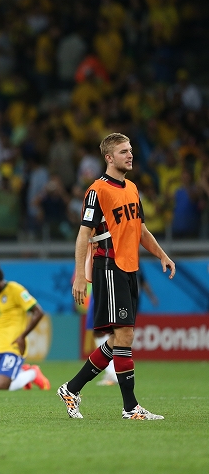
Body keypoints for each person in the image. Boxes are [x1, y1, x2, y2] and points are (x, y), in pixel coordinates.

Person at [59, 133, 176, 420]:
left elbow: (141, 230)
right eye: (123, 151)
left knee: (119, 338)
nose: (130, 155)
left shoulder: (133, 188)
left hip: (129, 268)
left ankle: (71, 389)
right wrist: (78, 276)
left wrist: (162, 254)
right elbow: (83, 234)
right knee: (124, 335)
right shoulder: (97, 191)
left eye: (131, 150)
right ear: (109, 158)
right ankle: (130, 408)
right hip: (108, 266)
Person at [0, 261, 50, 391]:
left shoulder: (15, 290)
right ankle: (19, 374)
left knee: (1, 386)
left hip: (13, 346)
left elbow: (38, 312)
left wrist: (22, 336)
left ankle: (32, 373)